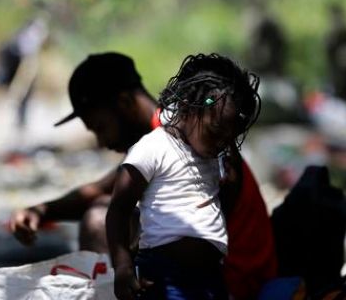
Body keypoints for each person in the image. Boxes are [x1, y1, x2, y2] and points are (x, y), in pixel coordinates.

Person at [9, 52, 277, 299]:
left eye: (100, 127)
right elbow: (103, 189)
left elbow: (106, 198)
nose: (102, 142)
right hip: (213, 273)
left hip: (236, 279)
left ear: (124, 102)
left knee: (98, 220)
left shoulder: (197, 135)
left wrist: (127, 260)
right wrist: (41, 211)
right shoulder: (181, 134)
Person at [106, 53, 262, 299]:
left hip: (210, 277)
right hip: (166, 274)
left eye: (228, 139)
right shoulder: (155, 147)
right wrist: (123, 265)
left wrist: (231, 185)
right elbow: (118, 208)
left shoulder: (211, 155)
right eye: (215, 132)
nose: (220, 144)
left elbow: (218, 211)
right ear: (189, 105)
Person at [0, 15, 49, 131]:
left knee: (21, 95)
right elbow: (27, 60)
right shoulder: (30, 37)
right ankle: (18, 122)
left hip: (20, 66)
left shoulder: (26, 35)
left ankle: (19, 122)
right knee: (21, 95)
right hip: (20, 66)